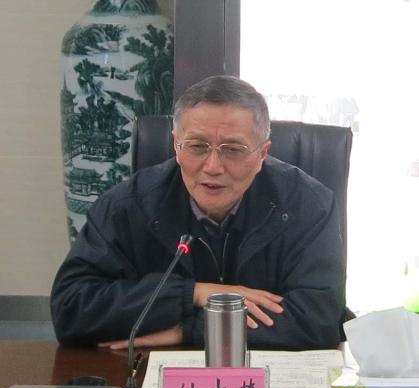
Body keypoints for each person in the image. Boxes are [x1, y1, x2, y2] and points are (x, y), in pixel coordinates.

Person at [50, 75, 346, 350]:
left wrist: (189, 329)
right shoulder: (129, 205)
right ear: (176, 146)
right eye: (197, 146)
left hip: (271, 380)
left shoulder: (308, 204)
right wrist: (191, 293)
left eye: (233, 149)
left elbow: (320, 320)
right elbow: (71, 309)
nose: (213, 167)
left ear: (262, 154)